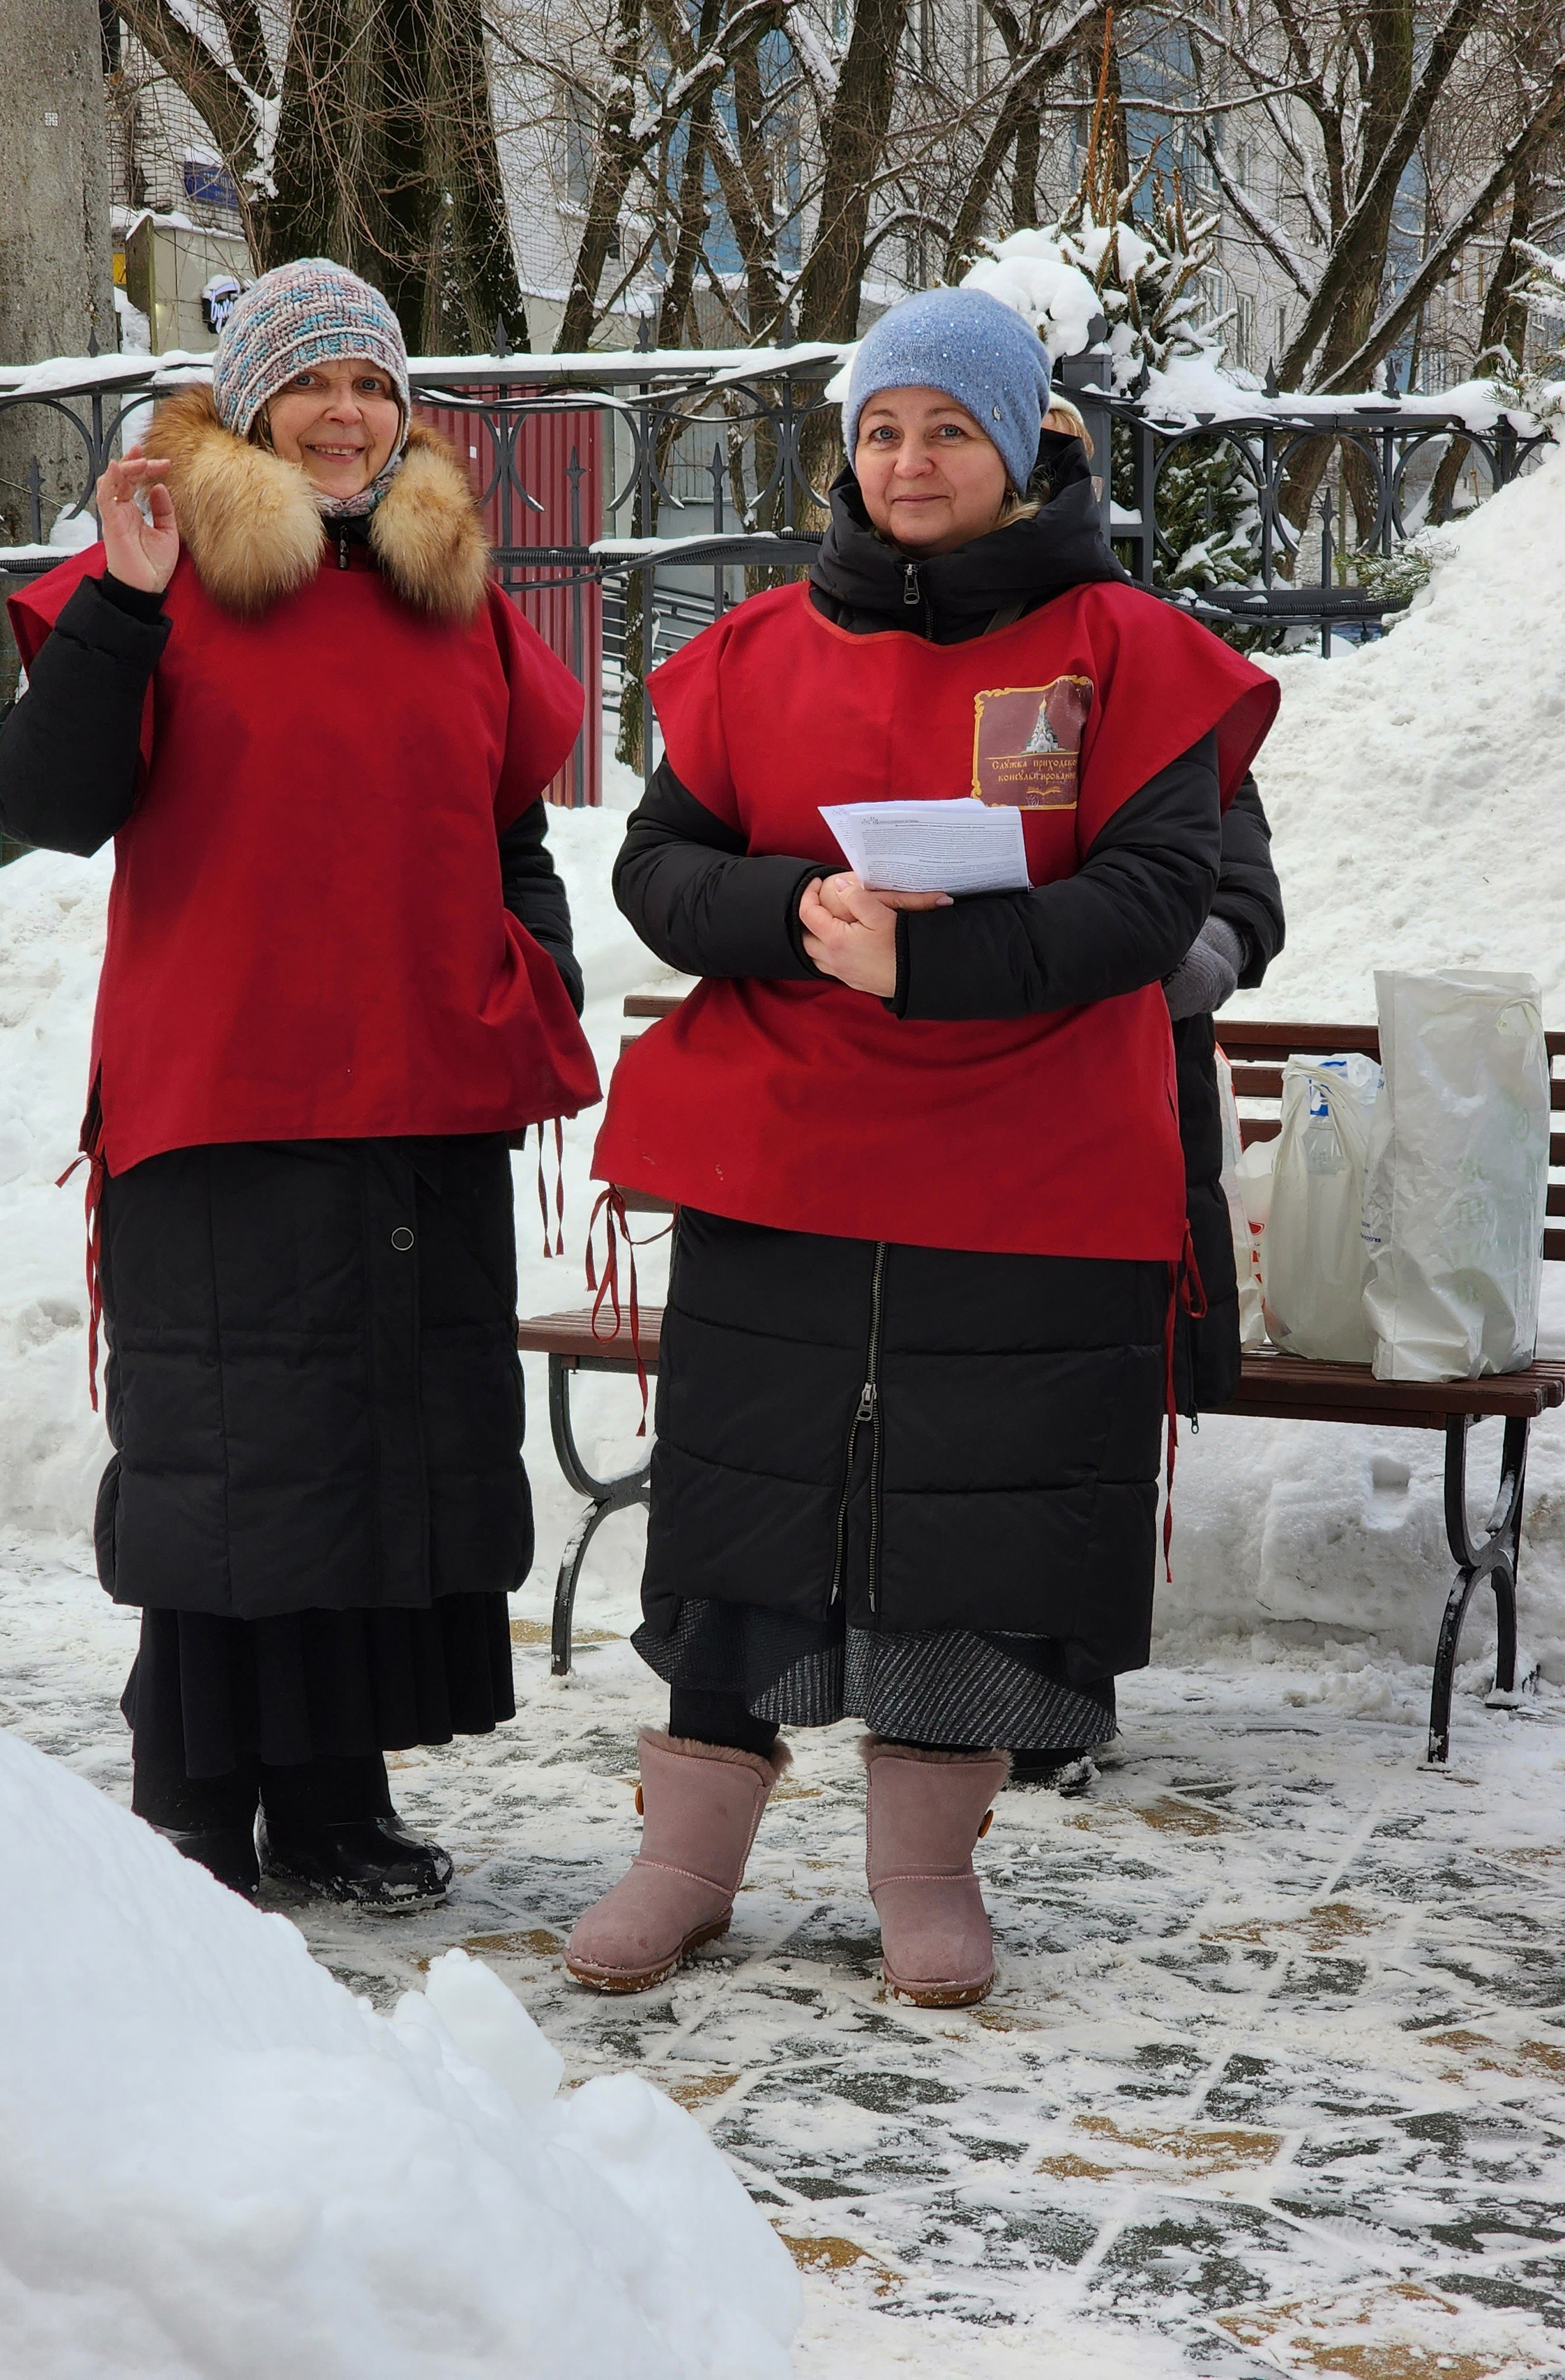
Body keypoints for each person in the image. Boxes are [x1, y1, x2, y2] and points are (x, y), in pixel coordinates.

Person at [564, 288, 1278, 2006]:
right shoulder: (747, 651)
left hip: (1020, 1170)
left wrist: (934, 958)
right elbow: (653, 871)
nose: (907, 459)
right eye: (881, 428)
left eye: (946, 429)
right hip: (787, 1162)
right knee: (749, 1504)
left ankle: (922, 1872)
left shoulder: (1122, 650)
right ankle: (685, 1856)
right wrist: (790, 907)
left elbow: (1158, 896)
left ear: (1023, 442)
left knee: (966, 1522)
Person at [0, 259, 599, 1905]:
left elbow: (511, 826)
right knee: (237, 1460)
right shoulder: (160, 564)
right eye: (312, 384)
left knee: (374, 1456)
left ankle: (332, 1800)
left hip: (419, 1088)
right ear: (249, 404)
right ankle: (194, 1796)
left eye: (371, 386)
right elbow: (48, 800)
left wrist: (528, 965)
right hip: (225, 1091)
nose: (345, 416)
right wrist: (117, 602)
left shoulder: (445, 592)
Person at [1005, 398, 1289, 1789]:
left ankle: (1059, 1695)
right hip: (960, 1084)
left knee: (1082, 1400)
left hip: (1119, 1085)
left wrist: (1145, 956)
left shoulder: (1145, 660)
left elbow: (1238, 895)